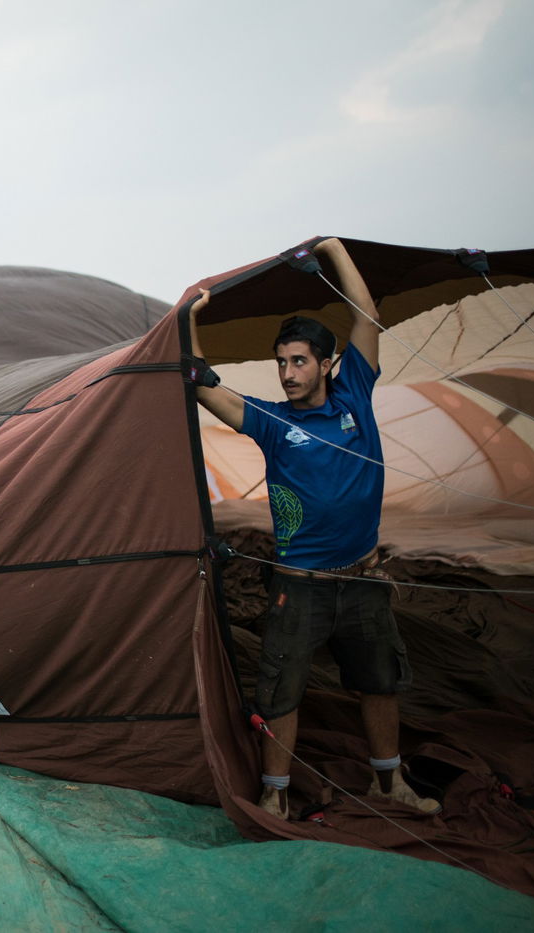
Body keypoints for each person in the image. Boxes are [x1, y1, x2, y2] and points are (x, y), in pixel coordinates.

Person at [190, 237, 439, 820]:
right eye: (281, 362)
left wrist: (332, 250)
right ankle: (275, 792)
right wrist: (191, 319)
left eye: (299, 361)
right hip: (299, 584)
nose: (287, 373)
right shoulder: (273, 421)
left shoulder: (355, 394)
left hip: (363, 578)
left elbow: (366, 315)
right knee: (281, 690)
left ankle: (389, 784)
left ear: (328, 364)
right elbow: (200, 382)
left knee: (379, 683)